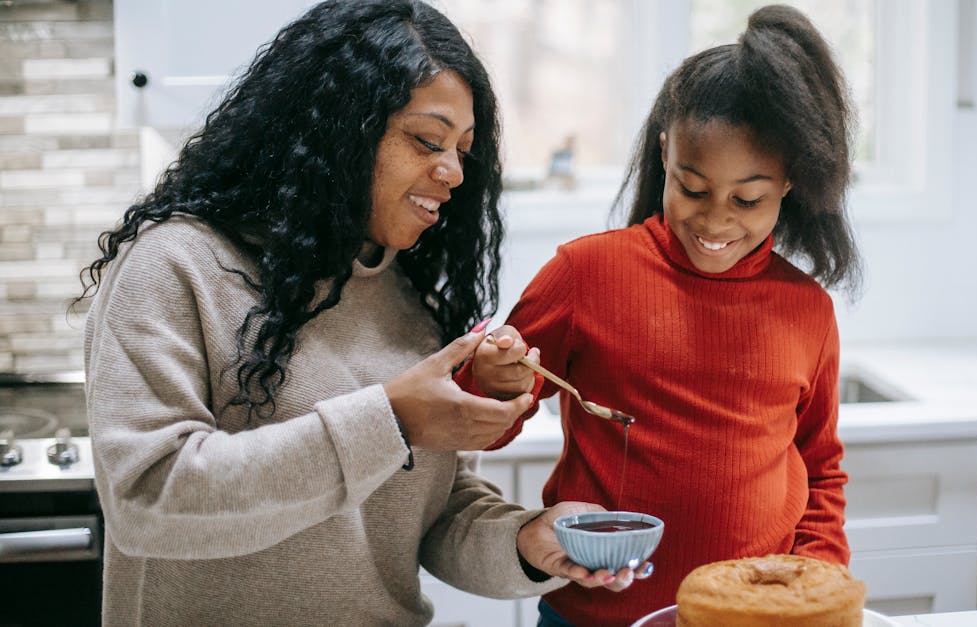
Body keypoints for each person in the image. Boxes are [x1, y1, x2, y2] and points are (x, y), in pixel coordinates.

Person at [75, 1, 643, 625]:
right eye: (427, 140)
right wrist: (393, 419)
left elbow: (433, 514)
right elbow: (148, 500)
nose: (454, 172)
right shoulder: (175, 265)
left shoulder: (409, 301)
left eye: (463, 149)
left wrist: (527, 540)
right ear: (338, 127)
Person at [464, 5, 863, 626]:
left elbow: (820, 469)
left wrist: (817, 581)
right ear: (665, 155)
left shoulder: (807, 309)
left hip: (750, 619)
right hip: (591, 616)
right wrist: (493, 380)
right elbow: (479, 426)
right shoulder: (585, 273)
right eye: (693, 188)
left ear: (789, 183)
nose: (716, 219)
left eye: (748, 199)